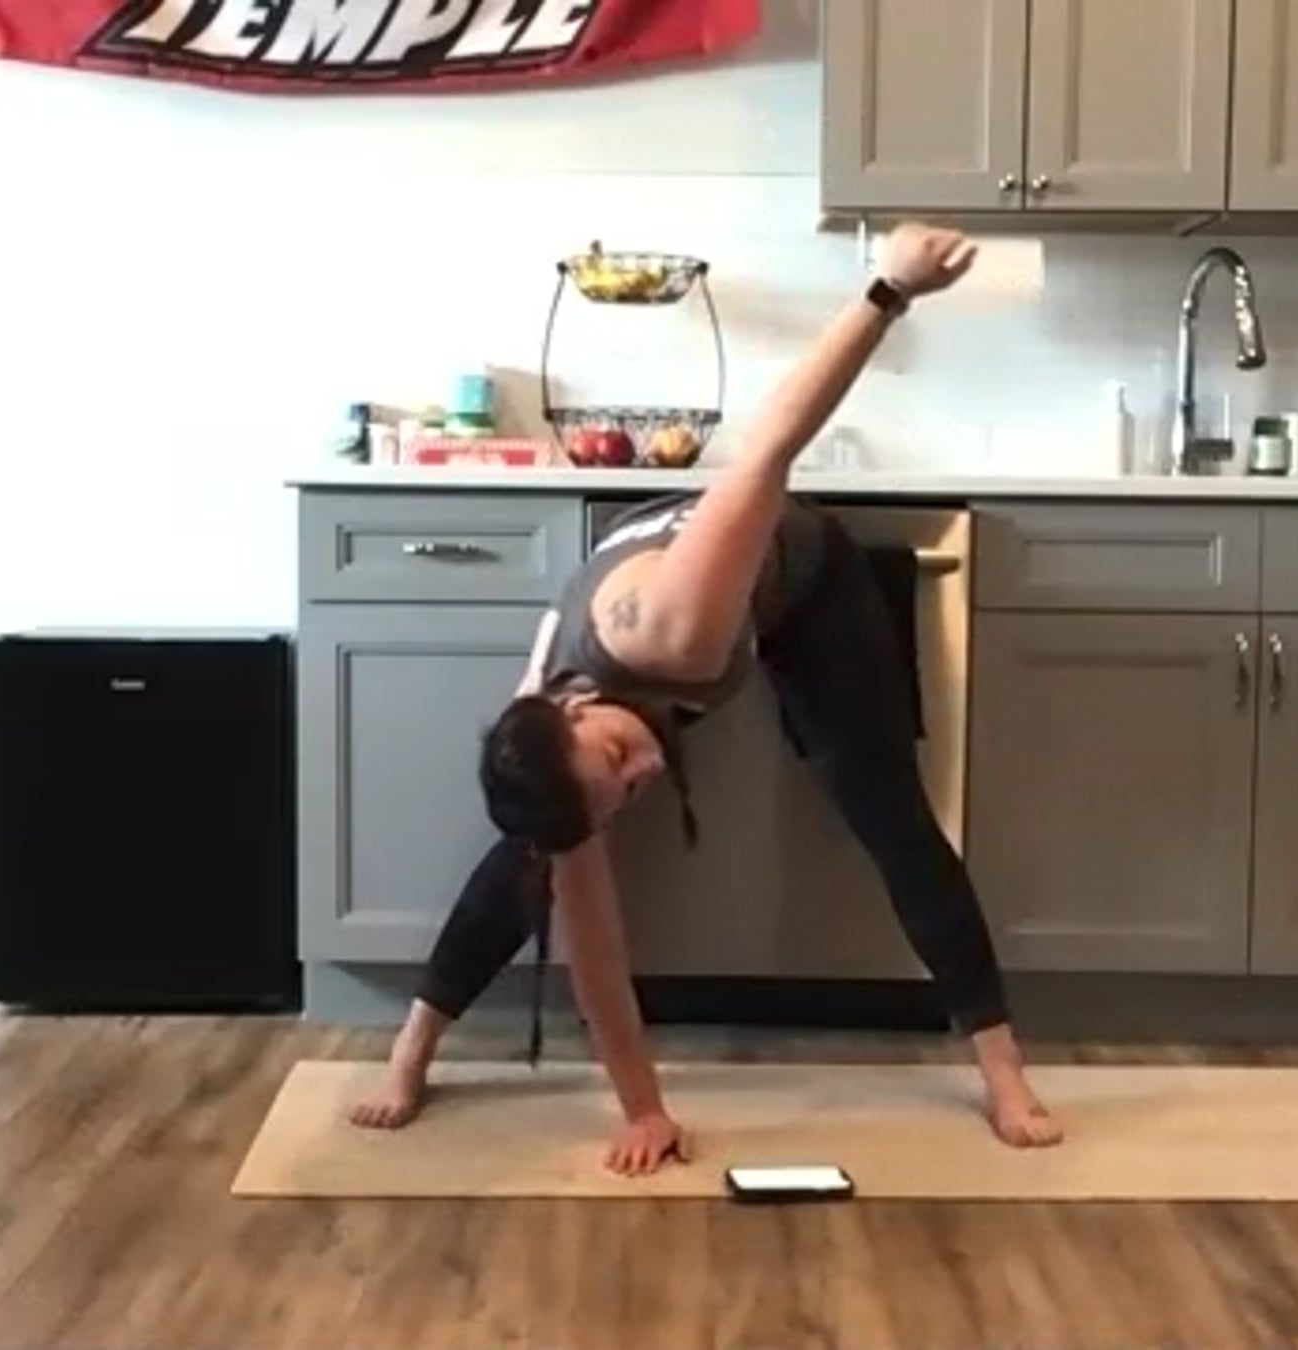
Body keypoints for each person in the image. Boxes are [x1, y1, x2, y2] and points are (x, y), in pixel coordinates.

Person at [347, 222, 1064, 1175]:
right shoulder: (546, 739)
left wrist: (888, 289)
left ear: (575, 711)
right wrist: (644, 1113)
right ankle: (411, 1050)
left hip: (801, 579)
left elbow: (770, 445)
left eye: (618, 758)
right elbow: (596, 952)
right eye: (623, 793)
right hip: (661, 587)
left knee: (888, 812)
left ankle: (1004, 1073)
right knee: (530, 856)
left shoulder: (667, 630)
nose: (646, 767)